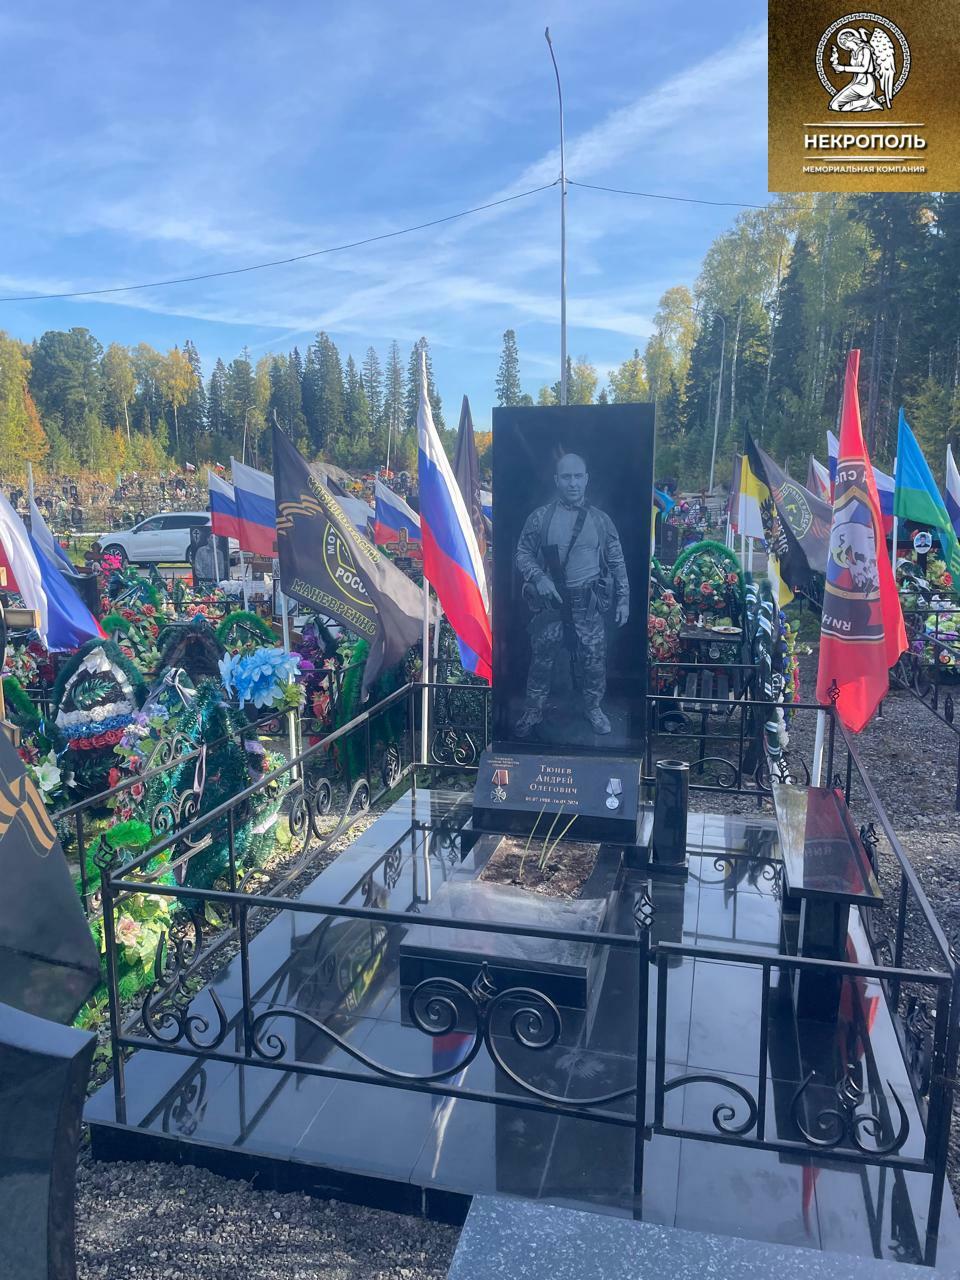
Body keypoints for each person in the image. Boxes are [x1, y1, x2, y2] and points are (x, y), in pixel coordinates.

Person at [514, 452, 629, 737]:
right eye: (566, 477)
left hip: (588, 608)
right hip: (552, 606)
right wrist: (539, 577)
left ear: (586, 479)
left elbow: (617, 562)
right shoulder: (541, 518)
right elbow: (522, 553)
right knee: (541, 663)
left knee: (594, 663)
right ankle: (533, 710)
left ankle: (593, 708)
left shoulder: (601, 521)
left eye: (578, 476)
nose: (573, 483)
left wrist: (624, 600)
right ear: (557, 480)